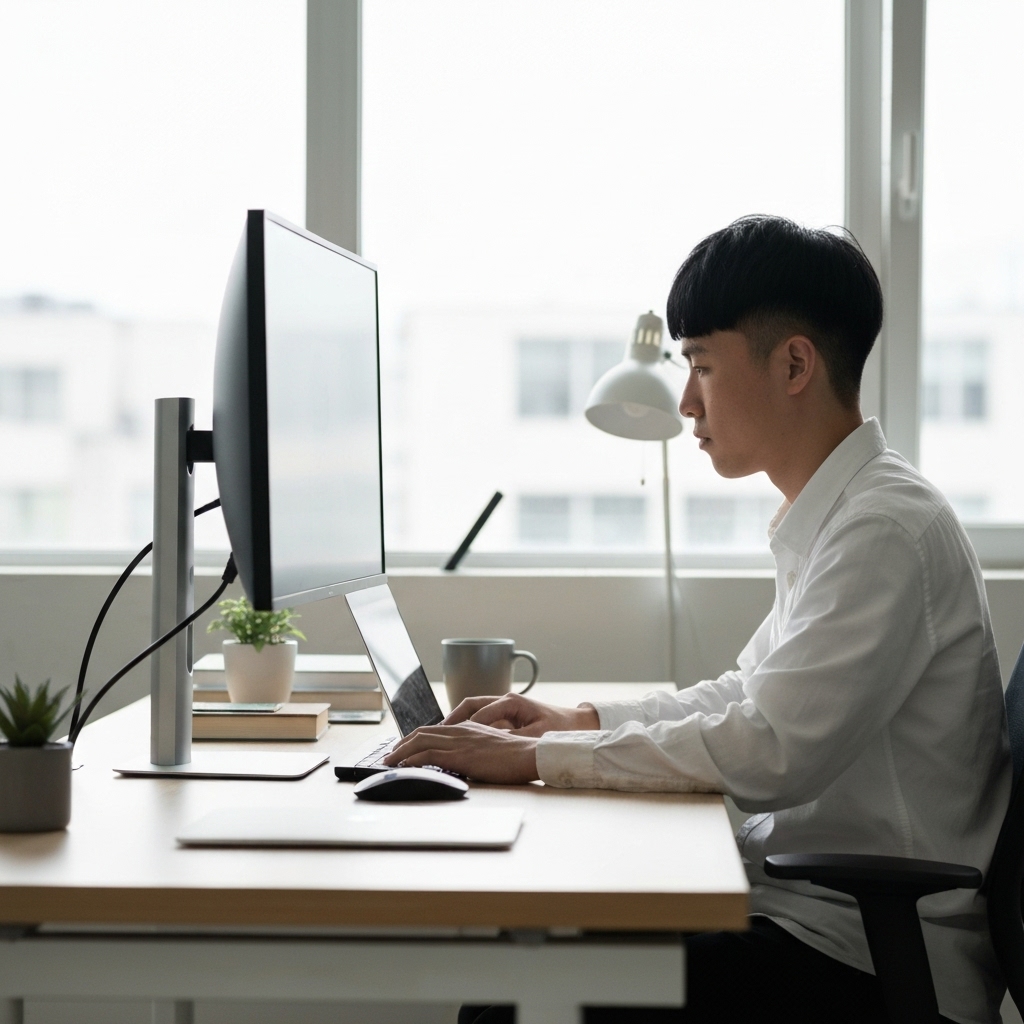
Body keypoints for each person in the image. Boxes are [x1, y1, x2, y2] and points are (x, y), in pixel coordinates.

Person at [384, 215, 1011, 1024]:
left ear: (793, 364)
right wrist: (576, 719)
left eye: (703, 366)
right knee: (528, 955)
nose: (686, 403)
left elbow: (770, 748)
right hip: (813, 918)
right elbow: (744, 696)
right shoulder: (839, 516)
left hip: (864, 955)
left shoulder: (884, 531)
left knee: (515, 995)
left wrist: (541, 756)